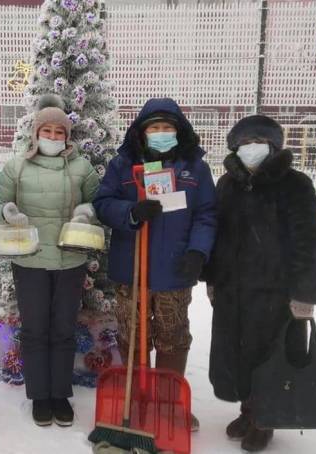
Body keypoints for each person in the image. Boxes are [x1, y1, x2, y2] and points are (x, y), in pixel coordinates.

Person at [92, 97, 217, 431]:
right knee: (131, 336)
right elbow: (103, 203)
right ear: (142, 133)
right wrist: (130, 212)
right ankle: (135, 399)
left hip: (174, 270)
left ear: (179, 131)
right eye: (154, 128)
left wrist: (197, 252)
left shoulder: (194, 167)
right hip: (130, 270)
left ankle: (168, 402)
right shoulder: (123, 165)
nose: (161, 133)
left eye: (168, 127)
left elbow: (207, 214)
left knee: (172, 336)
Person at [205, 115, 316, 451]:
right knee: (238, 354)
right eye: (244, 143)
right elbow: (218, 235)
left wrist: (305, 294)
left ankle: (266, 417)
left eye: (258, 142)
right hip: (233, 289)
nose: (251, 149)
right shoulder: (227, 184)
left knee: (270, 355)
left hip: (277, 292)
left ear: (273, 146)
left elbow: (310, 242)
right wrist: (213, 278)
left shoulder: (295, 184)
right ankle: (249, 409)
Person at [0, 95, 100, 427]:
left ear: (67, 137)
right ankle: (40, 395)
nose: (52, 137)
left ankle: (60, 395)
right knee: (36, 329)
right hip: (30, 260)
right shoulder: (17, 166)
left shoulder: (81, 167)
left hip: (70, 259)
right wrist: (7, 212)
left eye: (59, 132)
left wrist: (87, 211)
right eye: (47, 130)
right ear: (36, 133)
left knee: (63, 329)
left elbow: (101, 203)